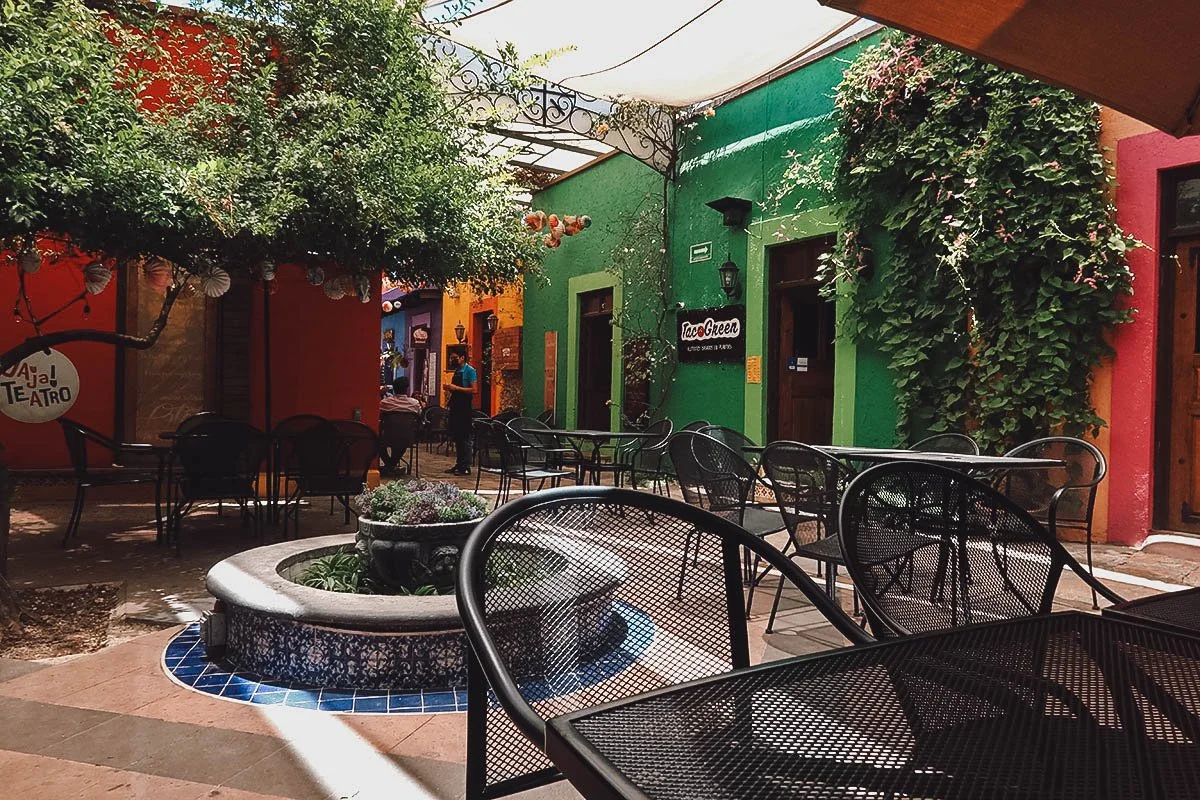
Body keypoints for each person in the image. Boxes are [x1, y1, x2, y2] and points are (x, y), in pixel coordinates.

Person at [442, 349, 477, 475]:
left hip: (464, 407)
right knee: (457, 436)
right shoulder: (457, 371)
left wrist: (456, 388)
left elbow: (474, 390)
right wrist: (450, 389)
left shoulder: (470, 371)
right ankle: (459, 464)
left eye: (455, 357)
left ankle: (466, 466)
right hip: (455, 406)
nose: (453, 360)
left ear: (462, 358)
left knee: (465, 437)